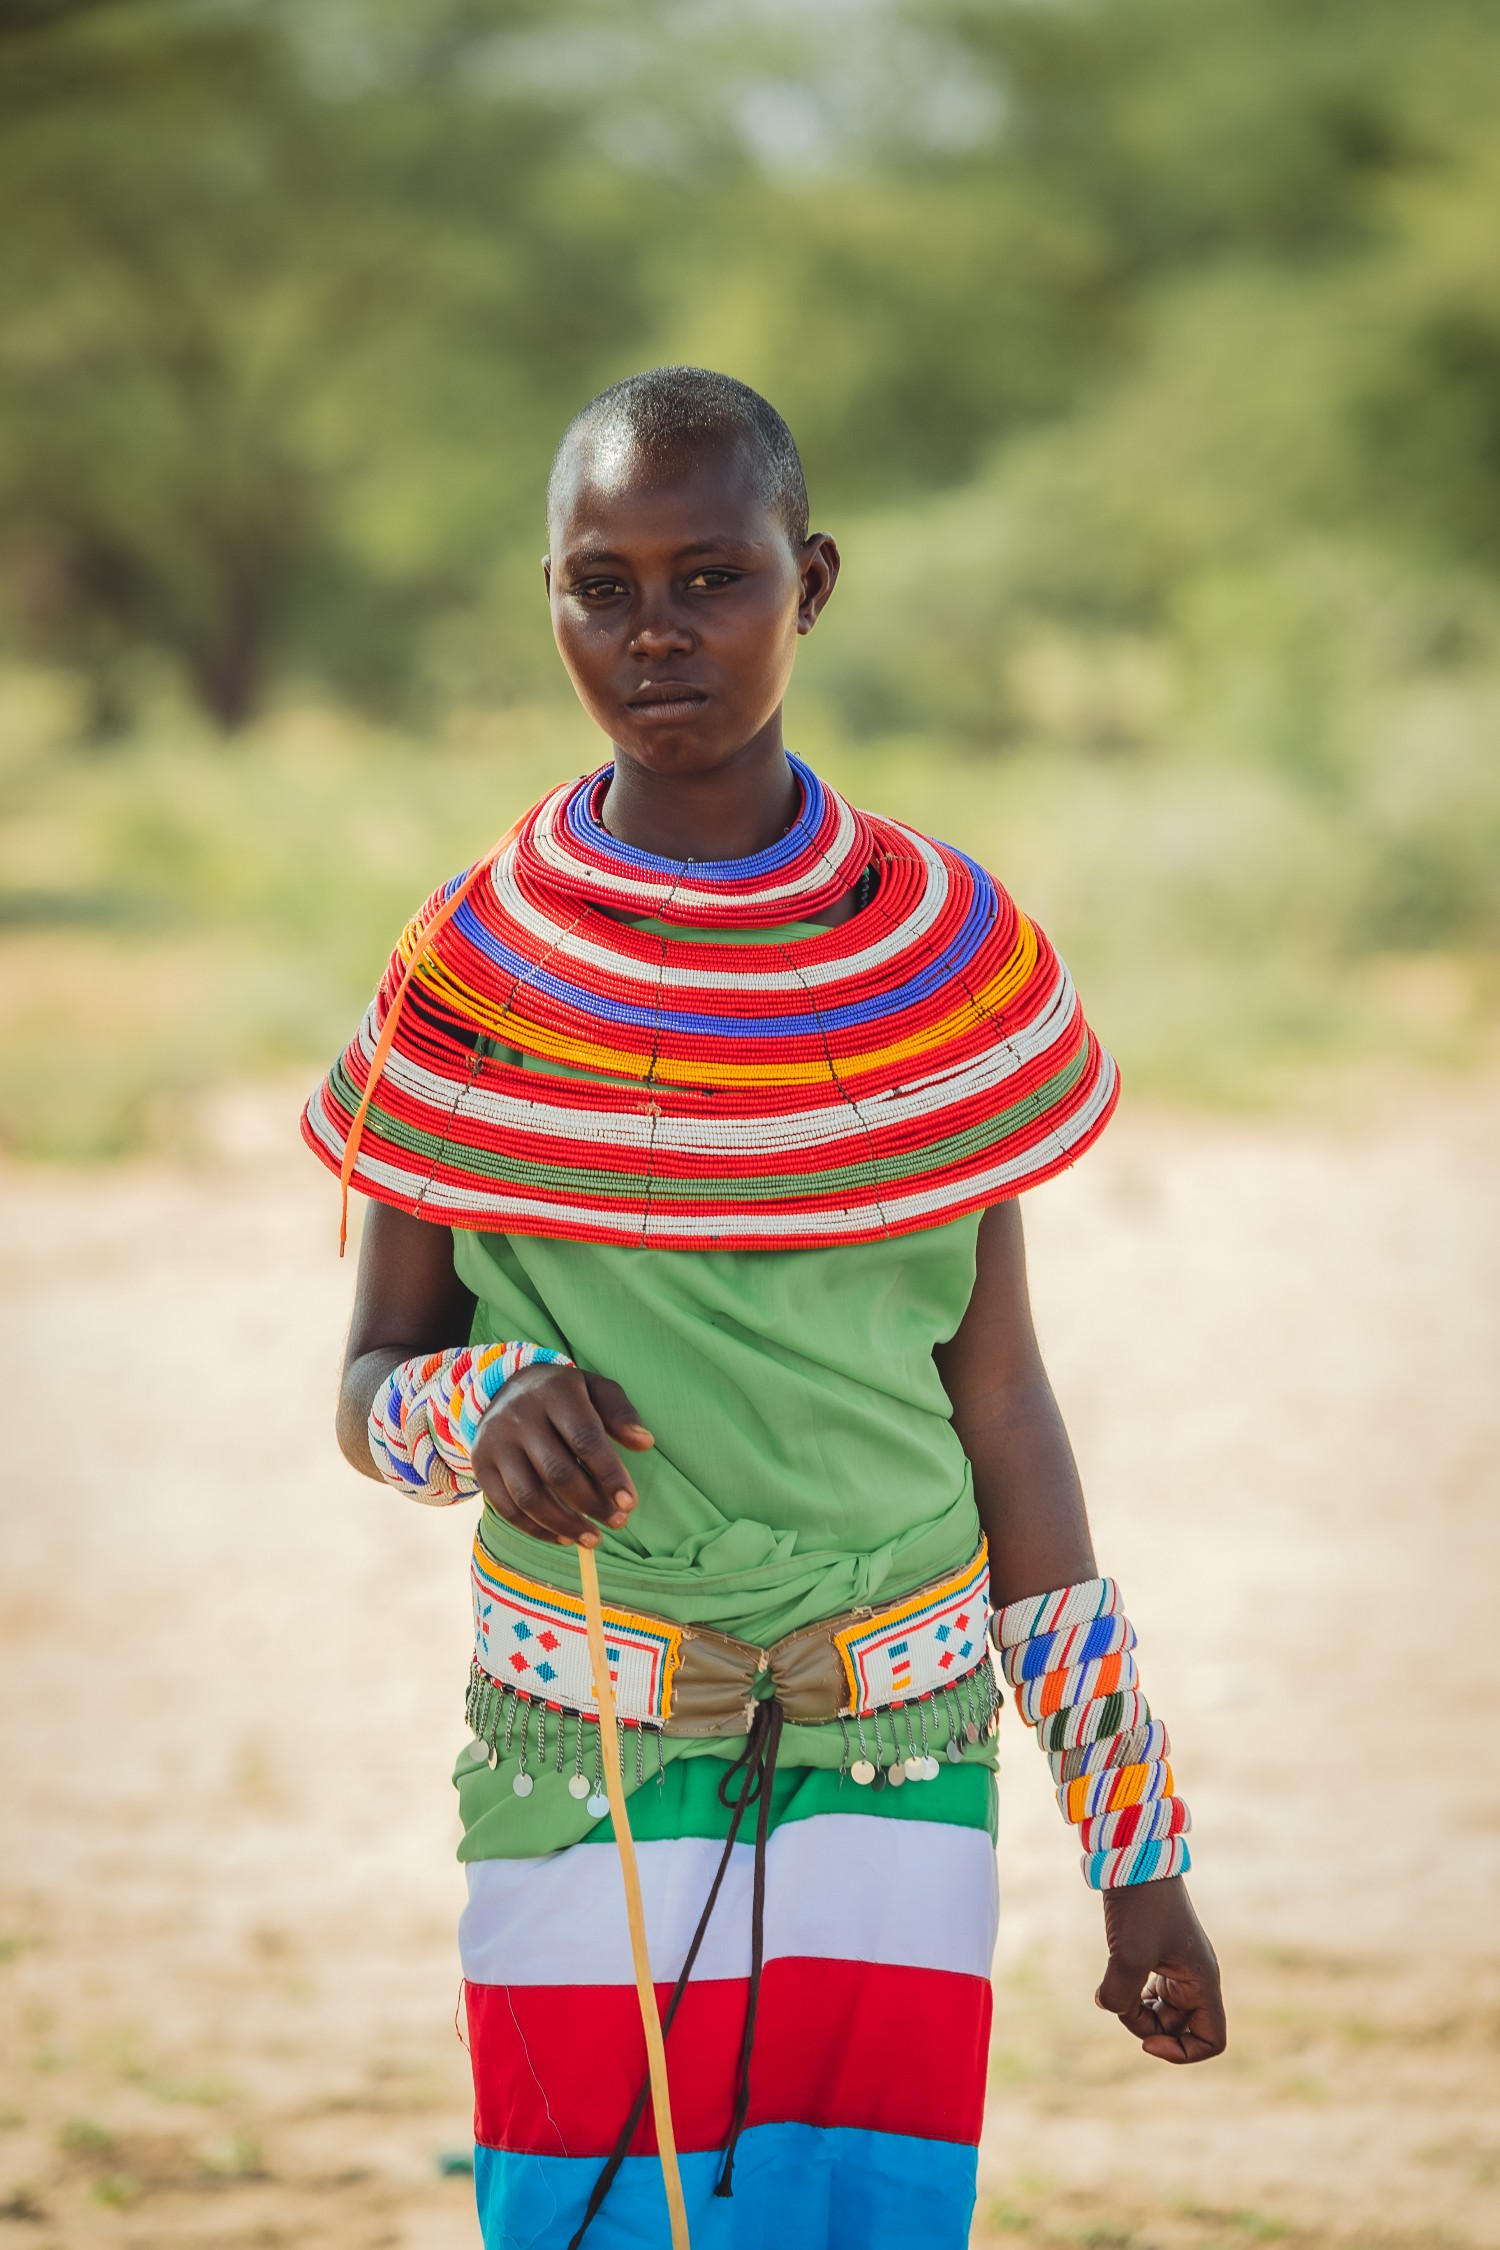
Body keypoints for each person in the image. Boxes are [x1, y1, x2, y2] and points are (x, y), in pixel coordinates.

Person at [304, 366, 1226, 2250]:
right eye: (602, 585)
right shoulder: (470, 975)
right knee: (587, 2220)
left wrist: (1134, 1849)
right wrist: (473, 1404)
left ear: (809, 583)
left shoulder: (940, 966)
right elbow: (370, 1382)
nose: (655, 632)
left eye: (709, 576)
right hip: (587, 1745)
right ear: (548, 599)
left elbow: (1006, 1418)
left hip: (897, 1731)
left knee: (865, 2219)